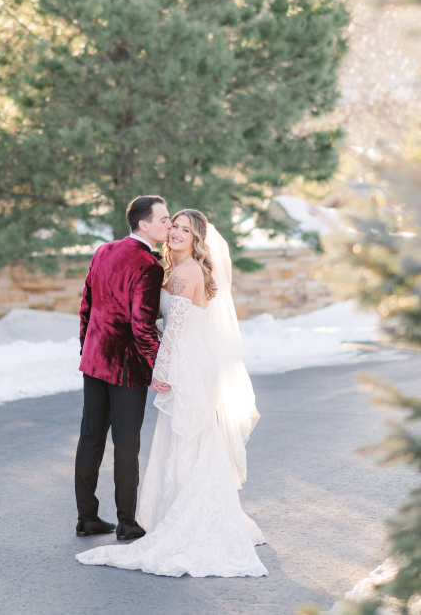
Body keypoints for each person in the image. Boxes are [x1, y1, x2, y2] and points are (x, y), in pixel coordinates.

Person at [76, 209, 268, 578]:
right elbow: (150, 322)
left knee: (187, 439)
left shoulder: (178, 270)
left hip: (184, 365)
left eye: (183, 228)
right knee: (168, 440)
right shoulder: (164, 268)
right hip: (175, 362)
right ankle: (147, 516)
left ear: (198, 238)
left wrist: (150, 367)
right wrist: (156, 365)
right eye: (171, 224)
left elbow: (169, 327)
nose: (174, 231)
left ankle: (188, 517)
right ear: (149, 224)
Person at [74, 195, 171, 542]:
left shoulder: (104, 250)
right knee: (126, 444)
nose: (169, 225)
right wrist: (160, 367)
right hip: (127, 367)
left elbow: (86, 304)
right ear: (144, 224)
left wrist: (87, 347)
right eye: (163, 219)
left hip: (95, 360)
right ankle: (126, 522)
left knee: (90, 438)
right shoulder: (149, 265)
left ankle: (87, 517)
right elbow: (142, 326)